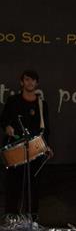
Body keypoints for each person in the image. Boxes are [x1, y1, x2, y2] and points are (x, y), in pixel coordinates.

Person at [1, 69, 52, 218]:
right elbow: (3, 119)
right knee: (13, 183)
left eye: (33, 80)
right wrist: (7, 127)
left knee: (34, 184)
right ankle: (11, 216)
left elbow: (45, 128)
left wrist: (46, 145)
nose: (30, 83)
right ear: (22, 82)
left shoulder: (42, 104)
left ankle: (32, 217)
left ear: (37, 83)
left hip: (35, 149)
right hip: (16, 148)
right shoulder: (13, 101)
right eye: (27, 79)